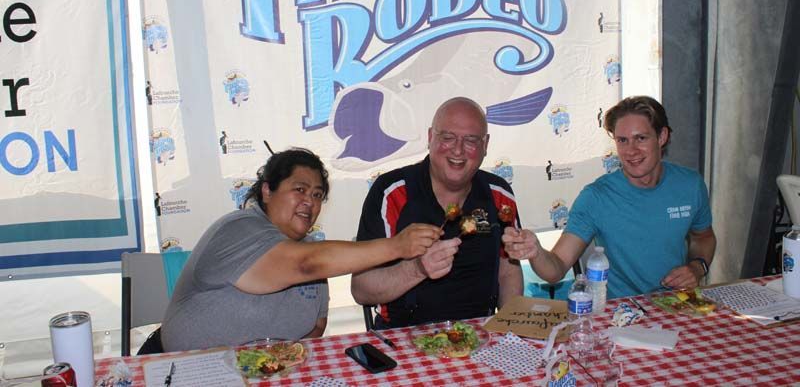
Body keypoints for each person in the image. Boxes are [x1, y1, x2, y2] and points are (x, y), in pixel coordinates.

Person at [160, 148, 441, 352]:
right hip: (189, 369)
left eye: (317, 195)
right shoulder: (238, 229)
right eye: (300, 189)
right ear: (267, 191)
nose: (310, 201)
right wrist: (397, 246)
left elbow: (316, 326)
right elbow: (304, 265)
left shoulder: (314, 252)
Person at [503, 96, 716, 298]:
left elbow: (703, 237)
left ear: (662, 137)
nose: (630, 150)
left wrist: (697, 267)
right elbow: (555, 269)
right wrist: (536, 251)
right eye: (622, 140)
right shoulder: (596, 197)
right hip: (618, 314)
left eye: (640, 138)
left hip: (676, 305)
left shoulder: (690, 185)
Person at [351, 97, 523, 328]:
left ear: (485, 144)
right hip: (404, 337)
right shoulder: (391, 192)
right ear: (431, 137)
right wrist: (417, 269)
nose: (458, 150)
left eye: (471, 140)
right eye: (448, 138)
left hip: (482, 331)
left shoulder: (499, 194)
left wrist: (510, 328)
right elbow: (361, 288)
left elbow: (508, 270)